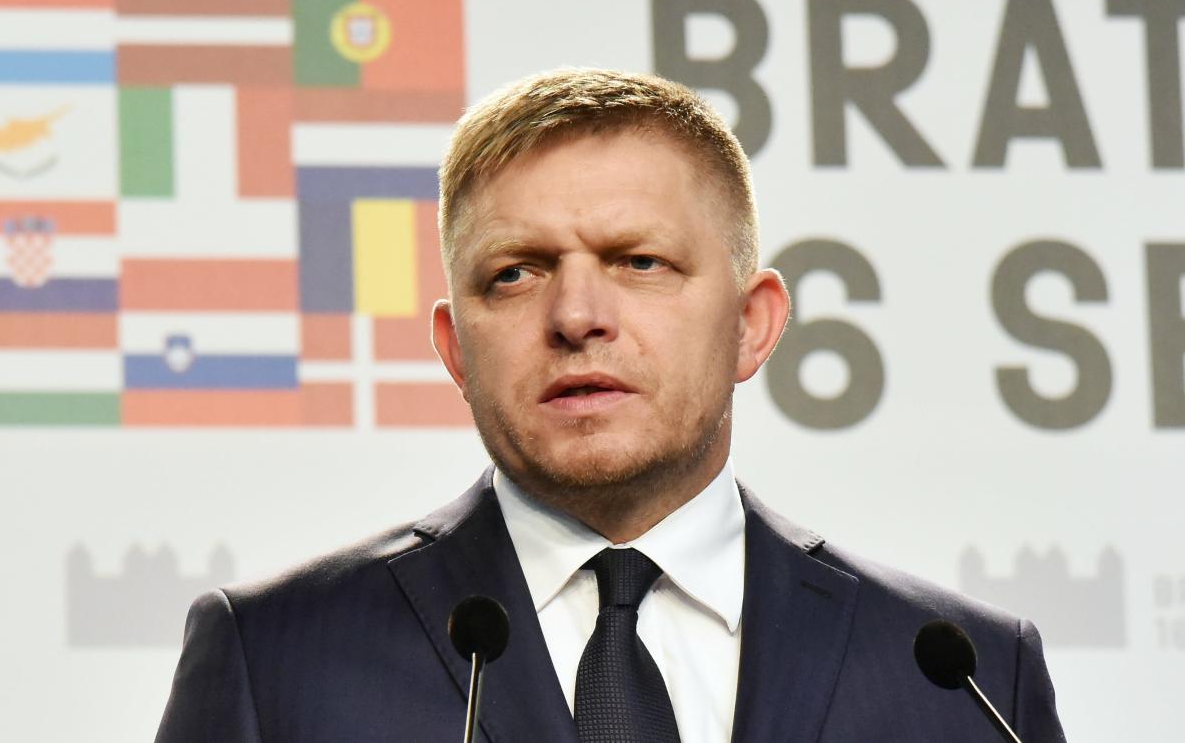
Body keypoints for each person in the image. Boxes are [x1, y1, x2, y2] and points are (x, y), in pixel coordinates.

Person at [155, 68, 1066, 742]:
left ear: (752, 325)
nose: (577, 316)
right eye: (515, 274)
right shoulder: (275, 660)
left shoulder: (966, 679)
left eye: (640, 262)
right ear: (455, 348)